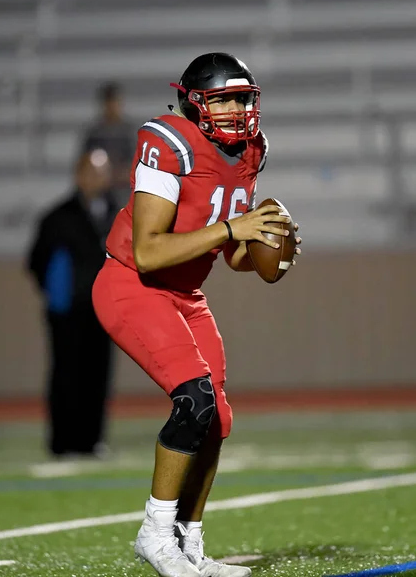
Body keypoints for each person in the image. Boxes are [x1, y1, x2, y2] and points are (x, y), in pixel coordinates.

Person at [92, 52, 301, 577]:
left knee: (217, 418)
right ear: (193, 101)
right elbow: (149, 250)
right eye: (223, 99)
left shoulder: (252, 150)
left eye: (242, 99)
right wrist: (235, 230)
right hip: (132, 283)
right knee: (194, 400)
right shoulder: (169, 141)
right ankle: (155, 534)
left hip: (187, 294)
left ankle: (189, 543)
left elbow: (230, 256)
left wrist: (264, 248)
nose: (235, 110)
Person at [27, 149, 118, 458]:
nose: (98, 178)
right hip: (67, 313)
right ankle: (62, 441)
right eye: (92, 172)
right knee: (66, 374)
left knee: (98, 374)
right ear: (79, 175)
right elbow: (36, 261)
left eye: (103, 172)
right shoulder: (57, 217)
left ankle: (92, 440)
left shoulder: (119, 215)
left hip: (104, 310)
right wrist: (58, 293)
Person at [81, 81, 136, 208]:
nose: (112, 107)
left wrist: (117, 174)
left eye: (115, 102)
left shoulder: (129, 132)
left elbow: (136, 164)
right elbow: (85, 165)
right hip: (99, 192)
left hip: (124, 192)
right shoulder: (94, 133)